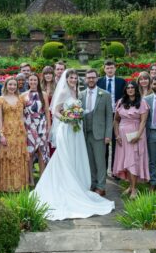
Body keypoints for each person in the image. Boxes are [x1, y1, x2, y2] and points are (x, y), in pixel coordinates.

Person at [31, 69, 115, 221]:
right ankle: (67, 186)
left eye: (76, 78)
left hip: (77, 132)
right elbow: (54, 111)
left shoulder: (78, 92)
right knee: (65, 157)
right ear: (66, 78)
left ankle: (82, 184)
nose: (74, 80)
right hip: (67, 129)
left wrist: (76, 116)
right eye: (71, 77)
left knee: (76, 157)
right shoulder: (63, 92)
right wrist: (66, 118)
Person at [113, 81, 150, 199]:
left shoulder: (142, 102)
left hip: (136, 135)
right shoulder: (120, 102)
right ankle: (130, 186)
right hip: (123, 137)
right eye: (128, 88)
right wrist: (117, 135)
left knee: (133, 161)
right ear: (125, 90)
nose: (130, 89)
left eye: (132, 87)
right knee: (126, 161)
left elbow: (143, 121)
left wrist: (138, 136)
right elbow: (116, 120)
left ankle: (134, 189)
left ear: (136, 89)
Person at [80, 69, 112, 196]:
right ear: (86, 79)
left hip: (99, 134)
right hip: (84, 133)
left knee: (100, 162)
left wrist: (108, 135)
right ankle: (93, 183)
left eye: (93, 77)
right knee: (90, 161)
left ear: (97, 78)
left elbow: (109, 116)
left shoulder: (105, 94)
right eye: (89, 78)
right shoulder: (80, 95)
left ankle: (101, 186)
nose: (91, 80)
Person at [0, 77, 29, 192]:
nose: (12, 87)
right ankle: (7, 185)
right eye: (10, 84)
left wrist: (24, 132)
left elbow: (22, 117)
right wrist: (1, 134)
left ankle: (19, 185)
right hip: (7, 131)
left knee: (19, 156)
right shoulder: (0, 99)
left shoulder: (21, 99)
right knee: (7, 156)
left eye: (14, 85)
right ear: (6, 85)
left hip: (19, 132)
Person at [97, 60, 126, 175]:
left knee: (116, 143)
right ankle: (103, 170)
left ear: (115, 69)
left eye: (112, 68)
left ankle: (115, 170)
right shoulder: (99, 82)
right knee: (104, 143)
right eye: (107, 68)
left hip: (117, 116)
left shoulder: (121, 82)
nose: (110, 70)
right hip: (103, 116)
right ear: (104, 69)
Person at [21, 73, 51, 183]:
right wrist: (23, 128)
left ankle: (42, 177)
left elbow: (47, 111)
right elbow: (21, 114)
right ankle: (31, 179)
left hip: (41, 125)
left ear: (38, 81)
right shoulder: (23, 95)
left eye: (35, 80)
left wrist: (48, 126)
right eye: (31, 80)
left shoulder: (43, 94)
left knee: (41, 152)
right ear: (28, 81)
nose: (33, 82)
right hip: (29, 126)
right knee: (30, 153)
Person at [41, 66, 56, 156]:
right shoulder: (40, 87)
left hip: (54, 117)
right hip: (42, 117)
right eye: (46, 73)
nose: (48, 75)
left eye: (50, 73)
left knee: (53, 140)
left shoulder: (57, 87)